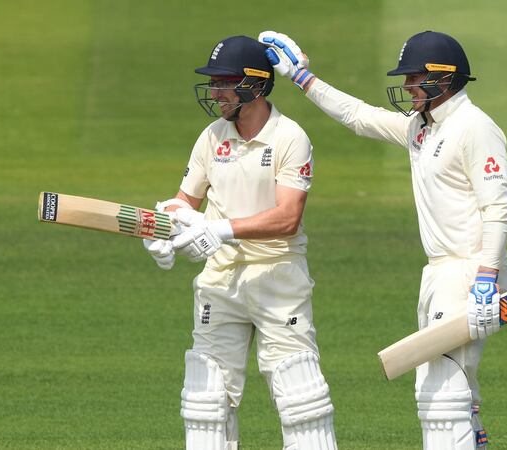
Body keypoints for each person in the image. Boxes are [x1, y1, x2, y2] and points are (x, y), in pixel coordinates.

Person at [259, 30, 507, 449]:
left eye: (414, 78)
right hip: (438, 273)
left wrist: (487, 275)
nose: (407, 86)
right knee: (459, 395)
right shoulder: (422, 128)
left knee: (441, 395)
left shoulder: (475, 128)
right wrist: (304, 79)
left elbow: (498, 207)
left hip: (470, 274)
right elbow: (360, 116)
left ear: (442, 79)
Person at [142, 35, 338, 450]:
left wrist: (220, 229)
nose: (214, 92)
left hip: (277, 276)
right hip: (220, 279)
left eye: (222, 83)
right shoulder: (212, 136)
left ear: (253, 86)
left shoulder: (290, 137)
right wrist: (162, 225)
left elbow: (288, 218)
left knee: (301, 398)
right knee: (206, 400)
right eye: (212, 83)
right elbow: (185, 201)